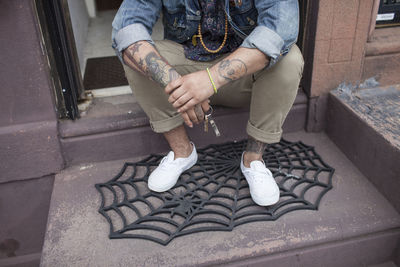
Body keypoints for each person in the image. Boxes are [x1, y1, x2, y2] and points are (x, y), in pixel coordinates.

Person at [111, 0, 304, 206]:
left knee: (289, 58)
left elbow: (280, 30)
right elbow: (127, 28)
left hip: (243, 73)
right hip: (187, 67)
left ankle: (253, 159)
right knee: (135, 55)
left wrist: (210, 79)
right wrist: (180, 87)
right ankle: (182, 152)